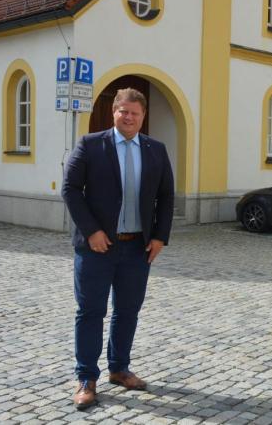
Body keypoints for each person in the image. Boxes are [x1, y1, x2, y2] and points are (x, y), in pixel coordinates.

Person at [62, 88, 174, 409]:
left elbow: (166, 196)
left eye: (135, 113)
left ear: (143, 116)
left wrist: (159, 237)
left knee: (128, 311)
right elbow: (70, 189)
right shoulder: (90, 144)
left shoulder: (156, 149)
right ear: (114, 112)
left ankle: (119, 368)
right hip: (97, 247)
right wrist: (92, 231)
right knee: (90, 311)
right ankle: (86, 377)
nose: (129, 117)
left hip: (137, 248)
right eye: (123, 111)